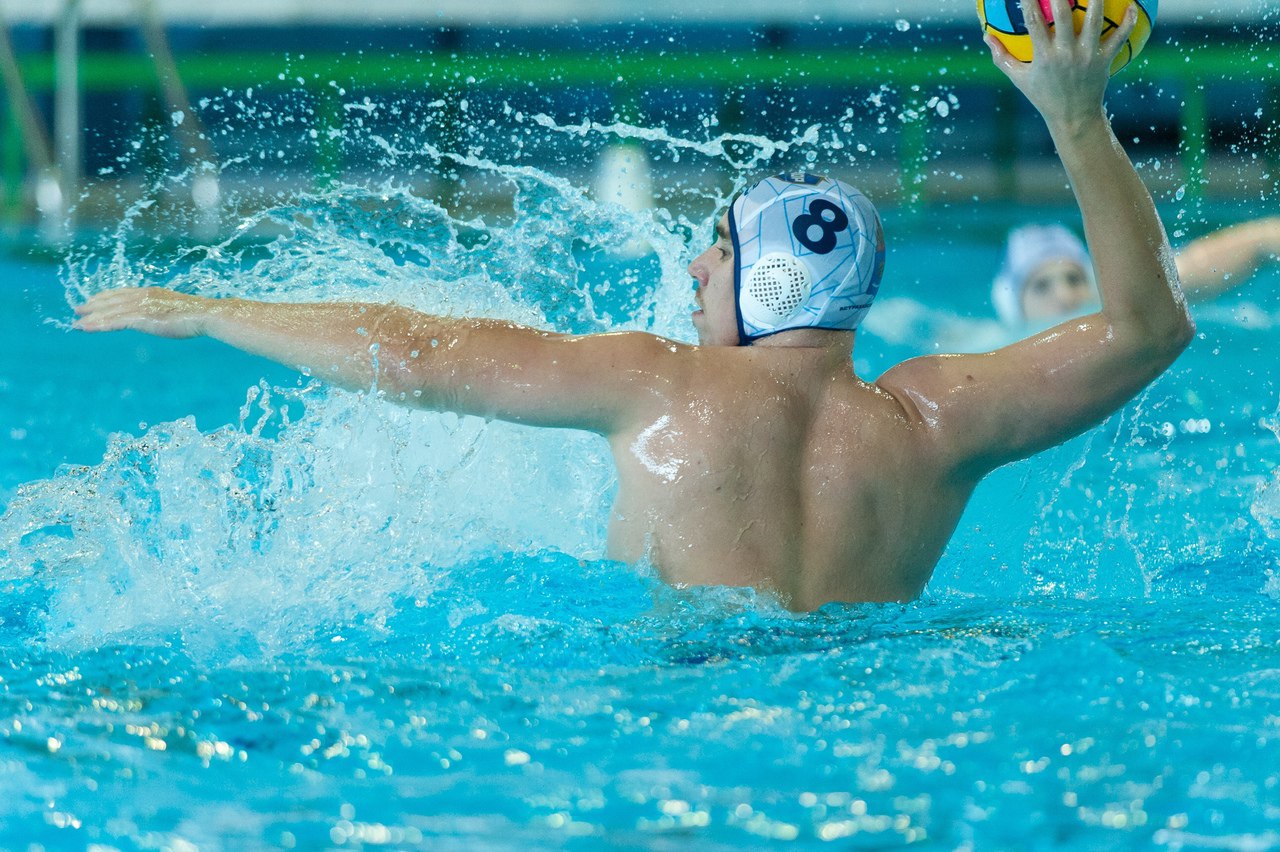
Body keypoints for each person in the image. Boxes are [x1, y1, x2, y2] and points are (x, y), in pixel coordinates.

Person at [73, 1, 1193, 611]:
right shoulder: (932, 425)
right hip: (867, 704)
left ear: (761, 282)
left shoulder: (656, 382)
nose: (694, 275)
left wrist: (207, 307)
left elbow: (411, 350)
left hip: (679, 709)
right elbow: (1149, 329)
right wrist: (1073, 119)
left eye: (713, 254)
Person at [994, 217, 1280, 325]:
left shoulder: (1120, 311)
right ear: (1014, 305)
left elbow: (1256, 242)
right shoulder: (990, 345)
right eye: (1041, 286)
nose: (1065, 296)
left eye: (1074, 278)